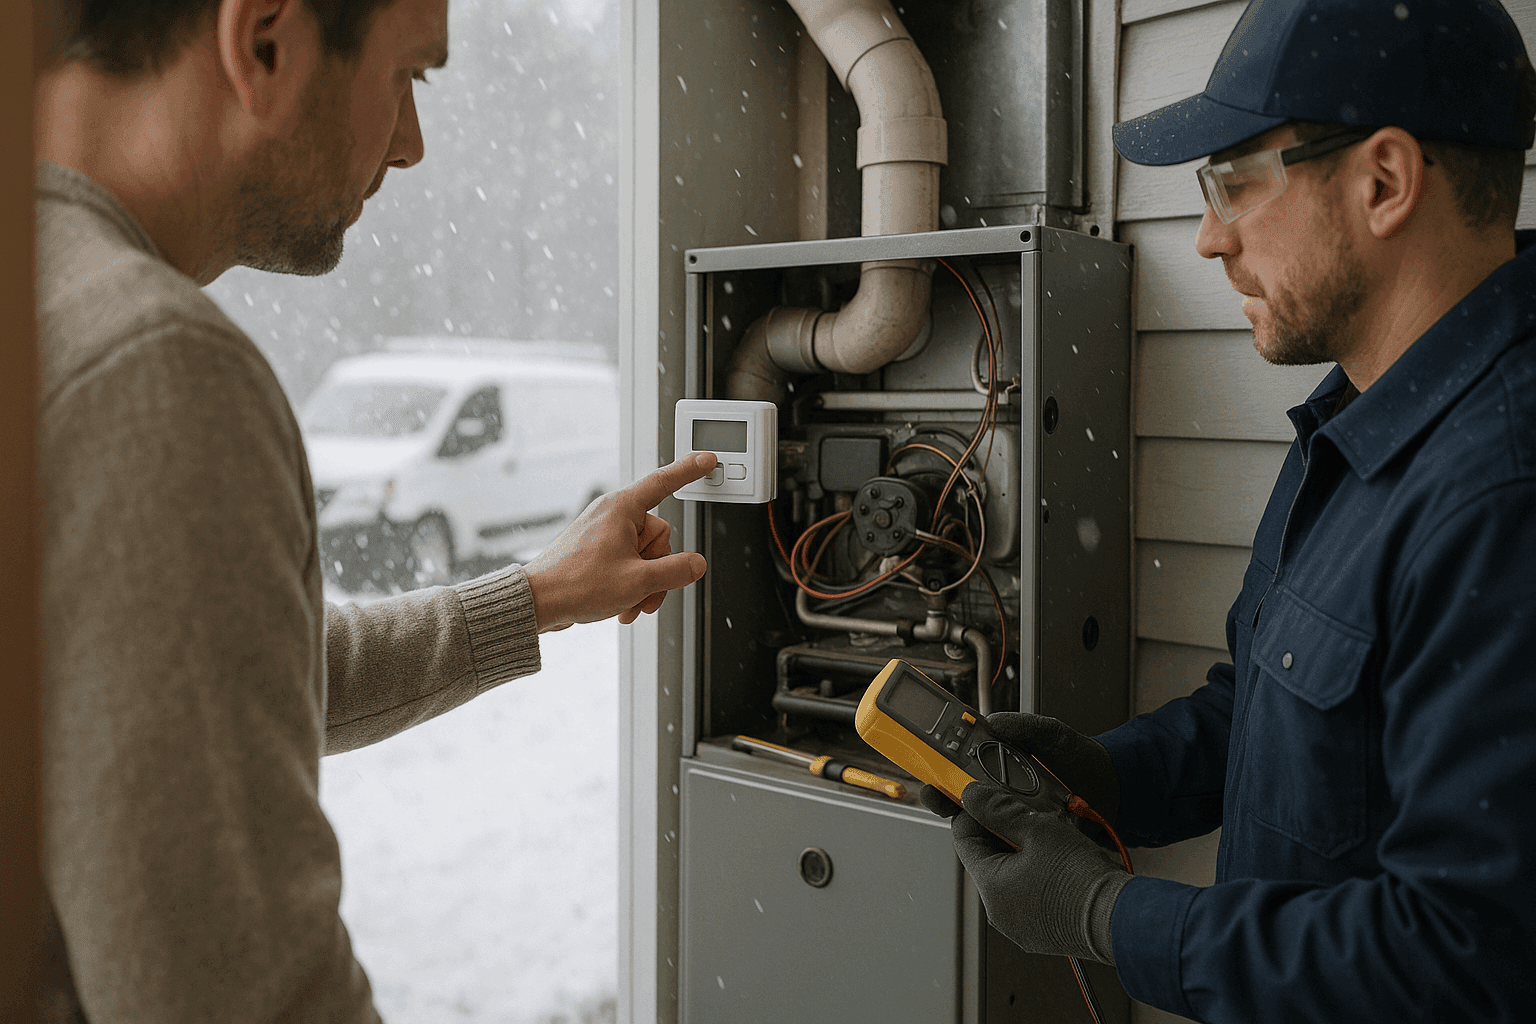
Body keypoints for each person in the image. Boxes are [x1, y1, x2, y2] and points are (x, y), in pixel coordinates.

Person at [33, 1, 714, 1020]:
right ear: (264, 42)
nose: (412, 144)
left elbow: (202, 692)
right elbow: (244, 995)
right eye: (410, 77)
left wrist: (534, 597)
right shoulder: (152, 367)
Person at [922, 0, 1536, 1020]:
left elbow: (1463, 959)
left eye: (1236, 182)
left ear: (1383, 182)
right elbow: (1279, 710)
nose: (1208, 238)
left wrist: (1105, 917)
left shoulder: (1502, 495)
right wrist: (1102, 778)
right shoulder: (1359, 418)